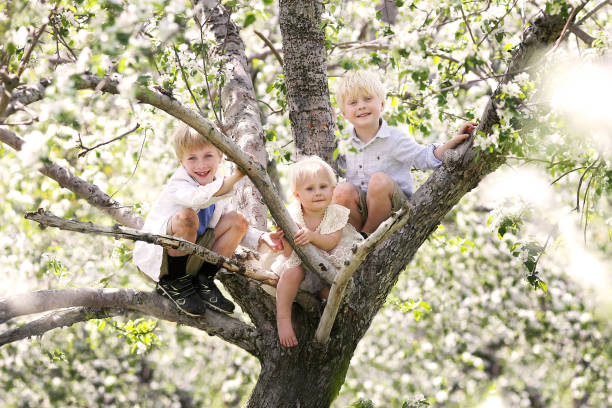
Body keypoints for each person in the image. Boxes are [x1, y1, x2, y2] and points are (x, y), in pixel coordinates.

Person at [133, 123, 282, 316]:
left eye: (208, 156)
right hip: (164, 262)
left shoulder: (217, 182)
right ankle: (176, 284)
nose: (201, 165)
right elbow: (200, 198)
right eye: (192, 158)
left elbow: (228, 222)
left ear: (220, 157)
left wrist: (262, 238)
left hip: (191, 256)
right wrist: (237, 175)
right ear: (182, 162)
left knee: (238, 221)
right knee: (188, 217)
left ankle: (204, 280)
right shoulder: (179, 183)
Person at [332, 70, 478, 235]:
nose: (361, 106)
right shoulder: (345, 142)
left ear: (382, 105)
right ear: (344, 113)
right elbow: (334, 163)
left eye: (367, 99)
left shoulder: (394, 138)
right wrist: (331, 124)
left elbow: (424, 157)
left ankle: (367, 236)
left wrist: (451, 143)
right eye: (353, 103)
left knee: (379, 181)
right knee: (342, 190)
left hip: (393, 207)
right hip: (363, 209)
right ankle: (355, 239)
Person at [270, 156, 363, 347]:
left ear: (332, 189)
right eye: (310, 189)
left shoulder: (335, 213)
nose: (318, 193)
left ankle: (324, 306)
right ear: (297, 196)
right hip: (302, 267)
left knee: (334, 288)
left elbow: (330, 243)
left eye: (323, 187)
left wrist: (311, 236)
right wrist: (284, 237)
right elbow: (288, 254)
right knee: (290, 273)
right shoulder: (292, 215)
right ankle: (283, 318)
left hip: (328, 262)